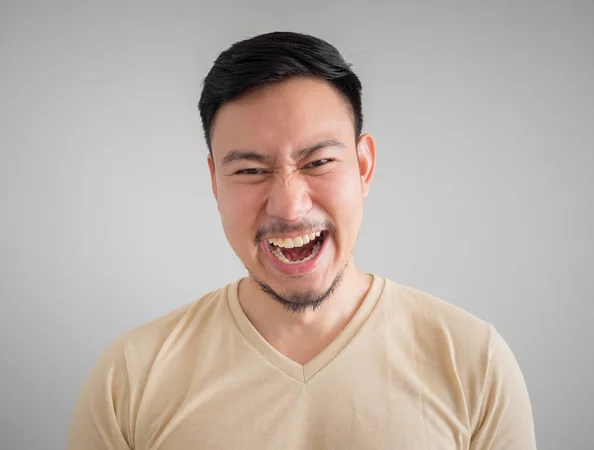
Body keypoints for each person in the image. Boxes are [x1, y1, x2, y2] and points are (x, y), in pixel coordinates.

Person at [67, 31, 536, 449]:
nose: (289, 207)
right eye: (250, 170)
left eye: (318, 163)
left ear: (364, 166)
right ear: (215, 182)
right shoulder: (131, 377)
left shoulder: (473, 362)